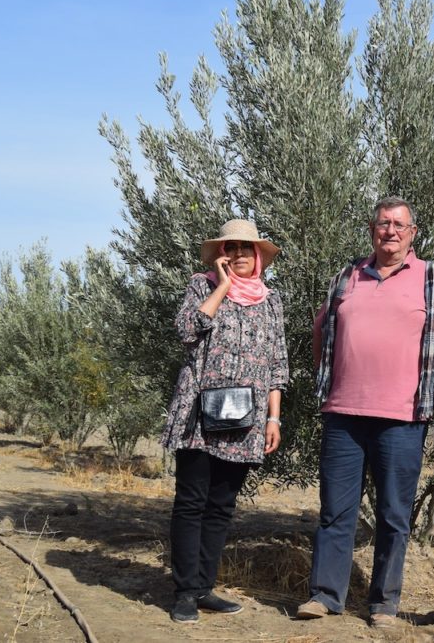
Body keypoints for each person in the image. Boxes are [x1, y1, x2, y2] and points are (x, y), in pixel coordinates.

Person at [297, 197, 434, 628]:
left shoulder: (432, 279)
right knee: (335, 510)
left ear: (413, 233)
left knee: (394, 514)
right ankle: (325, 596)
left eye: (399, 225)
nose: (389, 231)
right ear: (371, 229)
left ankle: (384, 604)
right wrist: (326, 377)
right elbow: (321, 330)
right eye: (382, 223)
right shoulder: (347, 275)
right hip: (344, 413)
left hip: (403, 417)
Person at [160, 219, 289, 624]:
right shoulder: (202, 286)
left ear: (259, 257)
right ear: (220, 256)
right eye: (230, 249)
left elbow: (276, 364)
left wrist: (274, 417)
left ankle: (203, 587)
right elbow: (185, 329)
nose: (238, 256)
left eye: (246, 249)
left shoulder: (272, 301)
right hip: (198, 414)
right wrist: (220, 286)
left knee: (220, 507)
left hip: (245, 419)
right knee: (191, 503)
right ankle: (183, 592)